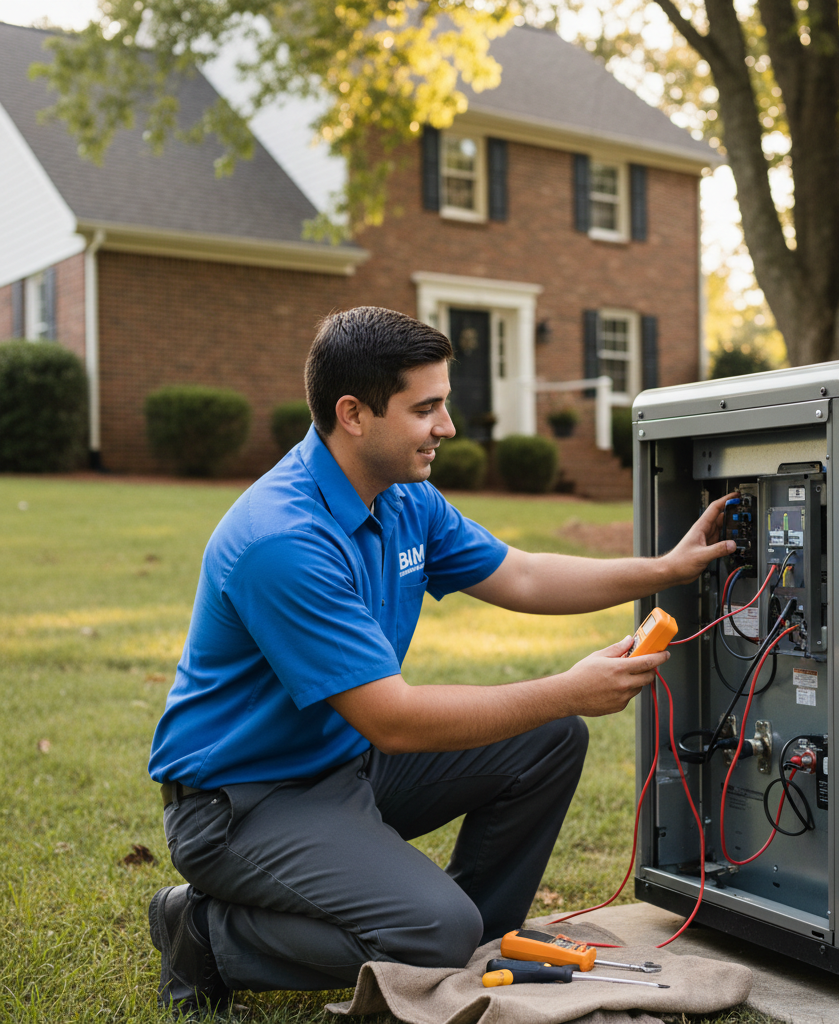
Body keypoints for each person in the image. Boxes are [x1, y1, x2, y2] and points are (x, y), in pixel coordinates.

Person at [146, 306, 736, 1016]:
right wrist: (568, 688)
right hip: (243, 801)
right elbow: (393, 720)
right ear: (353, 414)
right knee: (433, 928)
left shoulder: (404, 498)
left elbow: (522, 576)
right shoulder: (283, 539)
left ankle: (468, 949)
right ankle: (203, 933)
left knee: (548, 741)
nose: (448, 427)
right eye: (425, 409)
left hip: (343, 763)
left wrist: (666, 568)